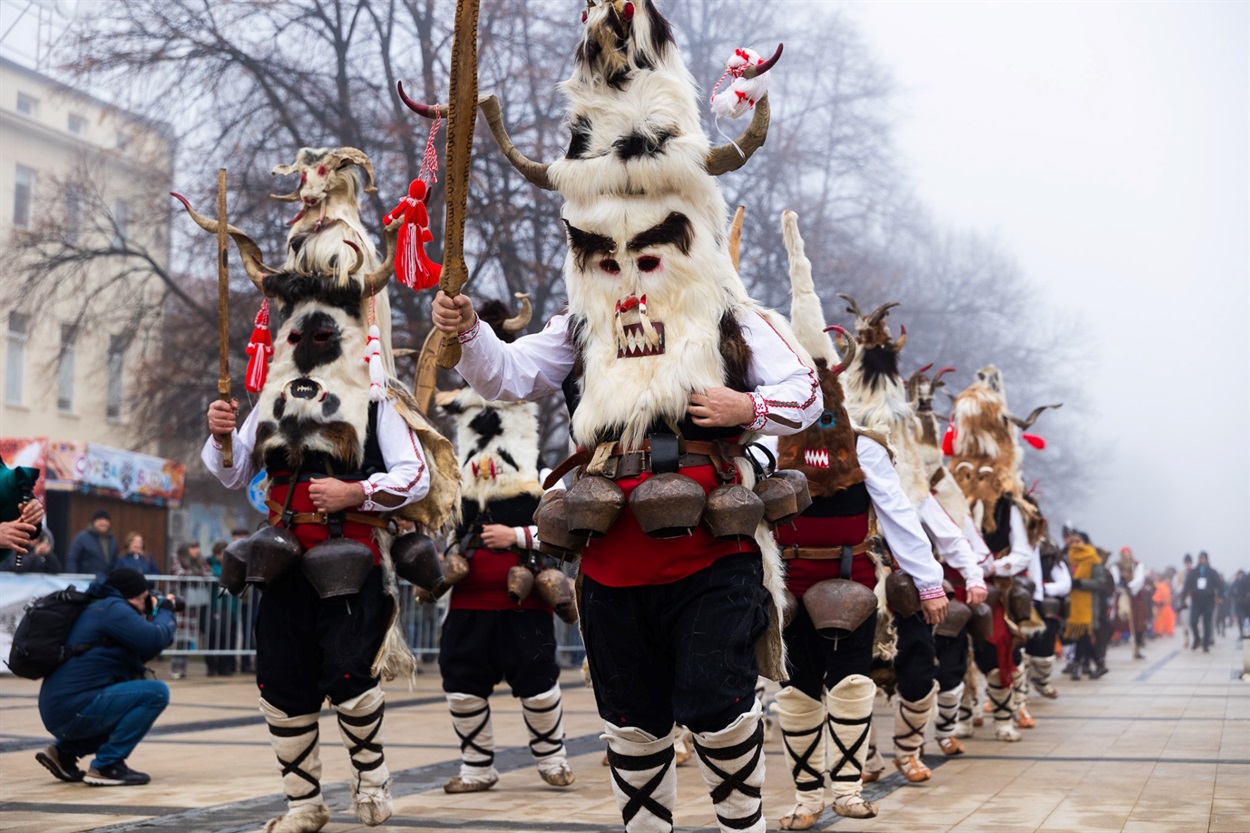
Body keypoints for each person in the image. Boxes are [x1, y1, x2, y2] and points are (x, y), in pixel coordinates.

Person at [763, 215, 947, 828]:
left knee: (848, 687)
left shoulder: (865, 447)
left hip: (853, 583)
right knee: (795, 693)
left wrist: (928, 584)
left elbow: (900, 518)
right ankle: (807, 797)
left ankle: (845, 789)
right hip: (787, 586)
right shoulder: (767, 442)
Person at [35, 567, 176, 786]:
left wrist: (156, 619)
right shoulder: (114, 609)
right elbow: (154, 639)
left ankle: (64, 753)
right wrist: (166, 611)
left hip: (60, 710)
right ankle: (107, 765)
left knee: (130, 694)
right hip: (73, 710)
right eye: (143, 598)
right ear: (132, 596)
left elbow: (144, 651)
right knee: (156, 693)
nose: (144, 604)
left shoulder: (97, 606)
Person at [1063, 530, 1107, 679]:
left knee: (1083, 636)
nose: (1075, 545)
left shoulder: (1093, 558)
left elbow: (1101, 582)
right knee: (1083, 637)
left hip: (1088, 606)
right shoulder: (1068, 560)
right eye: (1072, 542)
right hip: (1073, 606)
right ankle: (1098, 664)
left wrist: (1081, 583)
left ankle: (1078, 666)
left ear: (1085, 542)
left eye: (1078, 541)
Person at [169, 542, 211, 679]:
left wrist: (195, 574)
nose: (196, 550)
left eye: (197, 547)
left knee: (188, 638)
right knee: (180, 637)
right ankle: (176, 666)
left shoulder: (200, 560)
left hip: (194, 606)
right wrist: (196, 575)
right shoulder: (177, 558)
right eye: (192, 548)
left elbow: (208, 573)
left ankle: (183, 667)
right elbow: (180, 573)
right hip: (181, 604)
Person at [204, 542, 238, 676]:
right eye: (222, 553)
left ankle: (224, 667)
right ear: (216, 554)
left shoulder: (232, 564)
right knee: (212, 638)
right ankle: (211, 666)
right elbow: (216, 575)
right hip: (214, 606)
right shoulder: (210, 564)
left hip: (230, 607)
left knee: (226, 638)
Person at [1109, 547, 1150, 659]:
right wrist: (1121, 587)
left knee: (1138, 623)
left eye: (1128, 553)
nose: (1127, 555)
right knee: (1117, 620)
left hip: (1135, 597)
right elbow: (1115, 580)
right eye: (1124, 553)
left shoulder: (1137, 565)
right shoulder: (1116, 566)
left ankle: (1136, 649)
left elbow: (1139, 579)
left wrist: (1130, 587)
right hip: (1122, 595)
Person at [1183, 551, 1224, 652]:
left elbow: (1219, 585)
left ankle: (1205, 644)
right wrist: (1182, 598)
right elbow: (1187, 585)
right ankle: (1197, 638)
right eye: (1200, 558)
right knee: (1193, 621)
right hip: (1196, 600)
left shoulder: (1212, 572)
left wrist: (1220, 597)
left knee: (1207, 623)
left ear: (1207, 559)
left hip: (1208, 600)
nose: (1202, 560)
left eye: (1203, 558)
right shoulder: (1194, 572)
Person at [66, 511, 117, 576]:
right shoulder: (82, 538)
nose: (104, 523)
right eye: (100, 520)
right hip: (85, 580)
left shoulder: (112, 540)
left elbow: (114, 562)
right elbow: (72, 559)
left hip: (105, 581)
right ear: (93, 522)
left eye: (106, 520)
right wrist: (72, 577)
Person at [1152, 570, 1176, 637]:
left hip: (1167, 605)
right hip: (1161, 606)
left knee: (1169, 618)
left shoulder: (1167, 587)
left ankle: (1169, 631)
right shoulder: (1160, 586)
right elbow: (1157, 596)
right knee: (1160, 620)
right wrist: (1158, 602)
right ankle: (1158, 631)